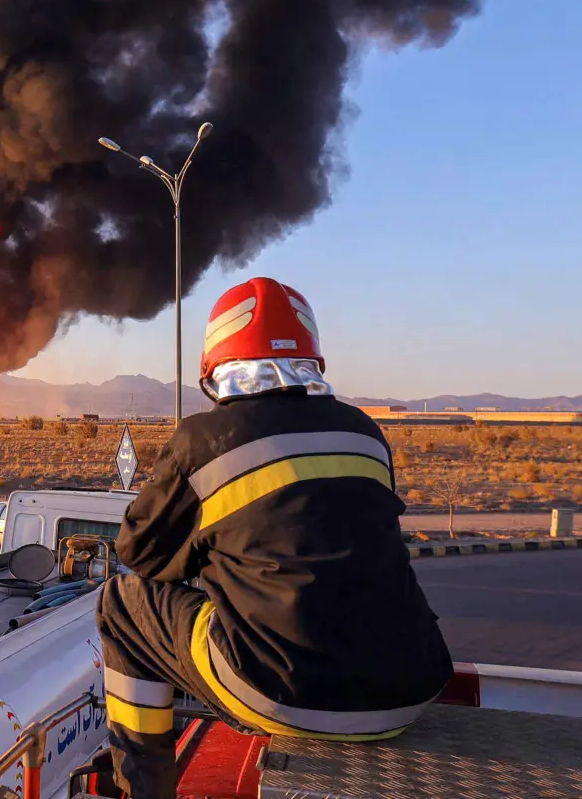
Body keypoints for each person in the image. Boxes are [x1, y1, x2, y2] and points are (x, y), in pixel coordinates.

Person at [90, 276, 452, 799]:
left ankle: (143, 787)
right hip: (410, 688)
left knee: (122, 606)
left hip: (284, 693)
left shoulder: (205, 440)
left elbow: (140, 553)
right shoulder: (365, 432)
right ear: (311, 357)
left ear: (216, 364)